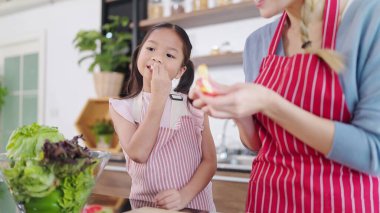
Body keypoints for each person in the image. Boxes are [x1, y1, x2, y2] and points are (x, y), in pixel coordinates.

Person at [190, 0, 380, 212]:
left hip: (340, 204)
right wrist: (236, 109)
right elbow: (258, 144)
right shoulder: (257, 42)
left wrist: (269, 103)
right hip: (267, 202)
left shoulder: (370, 19)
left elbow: (373, 152)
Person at [109, 23, 216, 212]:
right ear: (138, 55)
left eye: (169, 55)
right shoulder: (122, 107)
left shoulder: (194, 105)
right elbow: (138, 153)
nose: (157, 57)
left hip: (193, 207)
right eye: (150, 48)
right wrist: (158, 97)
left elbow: (209, 161)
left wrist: (184, 196)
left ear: (180, 71)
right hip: (147, 207)